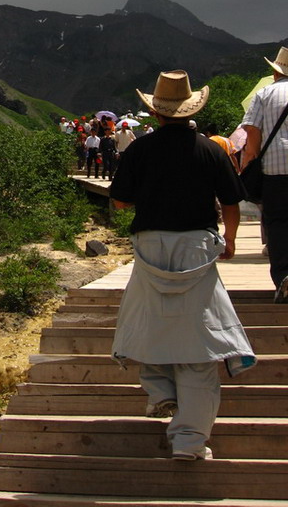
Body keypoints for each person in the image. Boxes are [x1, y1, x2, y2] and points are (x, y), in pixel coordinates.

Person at [110, 70, 255, 461]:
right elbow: (230, 201)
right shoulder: (210, 150)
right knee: (198, 340)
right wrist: (231, 240)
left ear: (156, 113)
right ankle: (190, 442)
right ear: (191, 109)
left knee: (148, 322)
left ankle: (160, 392)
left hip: (150, 245)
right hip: (197, 246)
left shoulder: (139, 150)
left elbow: (121, 201)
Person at [241, 47, 288, 302]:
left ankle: (283, 279)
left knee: (278, 226)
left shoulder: (265, 94)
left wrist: (249, 163)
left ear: (275, 70)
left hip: (274, 172)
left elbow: (253, 134)